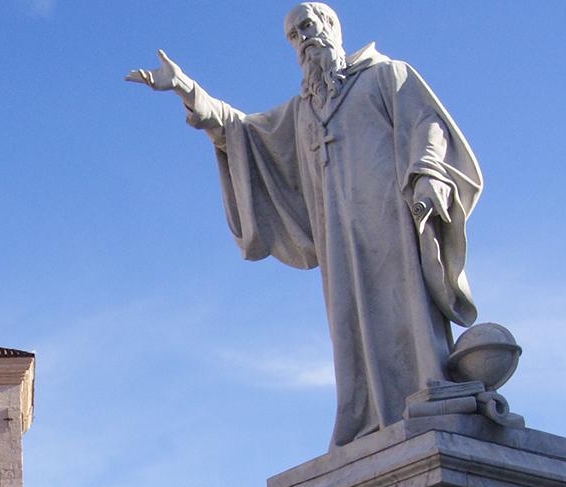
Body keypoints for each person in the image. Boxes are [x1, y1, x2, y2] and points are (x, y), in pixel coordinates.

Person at [128, 2, 482, 448]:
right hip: (337, 231)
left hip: (389, 215)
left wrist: (429, 172)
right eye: (294, 35)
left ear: (332, 27)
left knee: (403, 302)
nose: (303, 38)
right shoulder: (303, 111)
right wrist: (185, 88)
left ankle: (427, 389)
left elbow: (428, 124)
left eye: (309, 26)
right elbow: (243, 131)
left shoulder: (386, 75)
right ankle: (370, 416)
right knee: (350, 323)